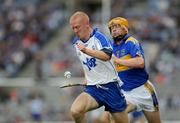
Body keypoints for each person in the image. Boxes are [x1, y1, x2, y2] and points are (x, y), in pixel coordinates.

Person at [98, 17, 162, 123]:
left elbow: (140, 62)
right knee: (109, 116)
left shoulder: (131, 42)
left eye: (117, 26)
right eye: (112, 28)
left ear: (125, 29)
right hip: (126, 93)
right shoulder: (110, 48)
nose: (114, 29)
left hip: (143, 91)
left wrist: (118, 60)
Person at [69, 11, 129, 123]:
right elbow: (84, 61)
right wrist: (87, 76)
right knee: (75, 111)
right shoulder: (76, 42)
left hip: (111, 87)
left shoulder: (99, 38)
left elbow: (106, 56)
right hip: (94, 89)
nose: (75, 31)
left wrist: (86, 50)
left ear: (87, 25)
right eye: (73, 28)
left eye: (77, 27)